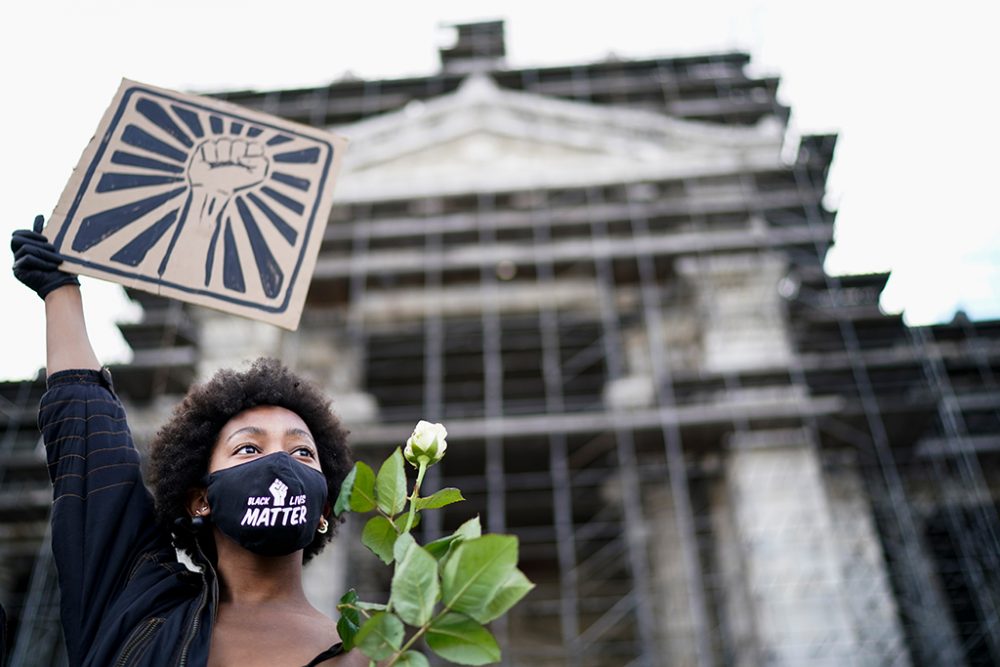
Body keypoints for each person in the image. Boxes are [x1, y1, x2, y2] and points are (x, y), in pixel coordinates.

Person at [11, 216, 370, 666]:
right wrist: (60, 290)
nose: (280, 464)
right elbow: (88, 434)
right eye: (248, 449)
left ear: (322, 508)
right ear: (200, 498)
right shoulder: (136, 608)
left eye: (302, 452)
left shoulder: (370, 656)